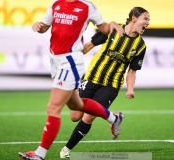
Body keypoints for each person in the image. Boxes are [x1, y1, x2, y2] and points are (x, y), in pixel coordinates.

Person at [18, 0, 125, 160]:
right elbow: (45, 26)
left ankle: (40, 155)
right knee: (77, 105)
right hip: (55, 60)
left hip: (70, 61)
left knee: (53, 107)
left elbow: (104, 28)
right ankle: (114, 118)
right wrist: (38, 26)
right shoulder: (56, 4)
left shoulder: (87, 7)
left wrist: (113, 24)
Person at [60, 6, 150, 158]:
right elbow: (89, 45)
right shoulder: (112, 30)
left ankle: (66, 150)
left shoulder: (140, 45)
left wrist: (130, 89)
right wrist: (72, 56)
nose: (148, 23)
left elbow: (132, 71)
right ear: (134, 18)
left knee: (88, 117)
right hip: (91, 78)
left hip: (111, 85)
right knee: (75, 116)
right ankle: (114, 116)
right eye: (145, 19)